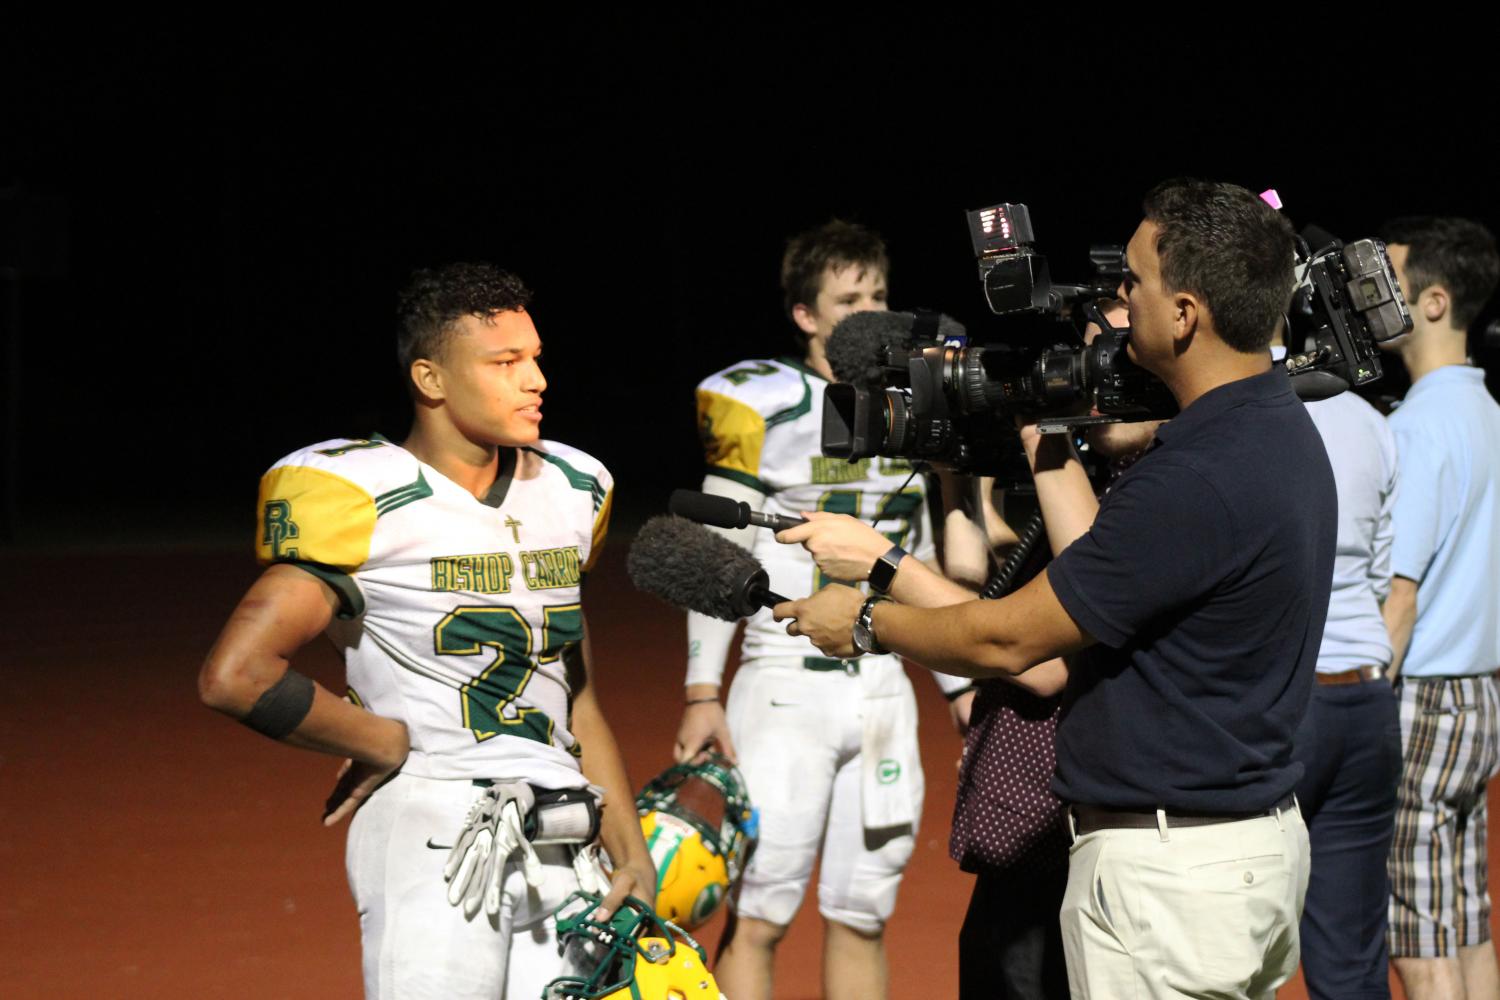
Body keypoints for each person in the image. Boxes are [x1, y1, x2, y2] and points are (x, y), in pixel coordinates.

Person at [777, 179, 1336, 999]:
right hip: (1232, 853)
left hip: (1170, 877)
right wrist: (1043, 427)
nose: (1121, 298)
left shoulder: (1195, 478)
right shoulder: (1272, 427)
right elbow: (1095, 578)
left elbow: (1012, 640)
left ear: (1184, 312)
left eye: (1134, 282)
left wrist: (867, 619)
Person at [197, 263, 655, 999]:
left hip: (565, 835)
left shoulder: (571, 488)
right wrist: (378, 740)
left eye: (535, 357)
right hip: (436, 830)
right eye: (506, 363)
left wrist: (632, 851)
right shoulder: (362, 495)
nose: (536, 379)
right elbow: (236, 673)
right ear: (431, 379)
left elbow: (577, 697)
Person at [672, 219, 971, 1000]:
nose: (870, 312)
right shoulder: (763, 402)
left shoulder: (912, 403)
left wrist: (960, 684)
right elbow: (717, 553)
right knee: (762, 911)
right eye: (849, 298)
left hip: (882, 682)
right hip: (785, 683)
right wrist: (703, 689)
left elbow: (925, 559)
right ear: (805, 315)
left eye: (879, 294)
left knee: (863, 913)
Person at [1377, 216, 1500, 1000]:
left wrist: (1347, 716)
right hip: (1481, 694)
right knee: (1468, 918)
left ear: (1432, 301)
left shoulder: (1416, 428)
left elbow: (1399, 597)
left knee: (1417, 932)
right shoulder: (1489, 416)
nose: (1365, 298)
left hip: (1420, 700)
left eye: (1384, 281)